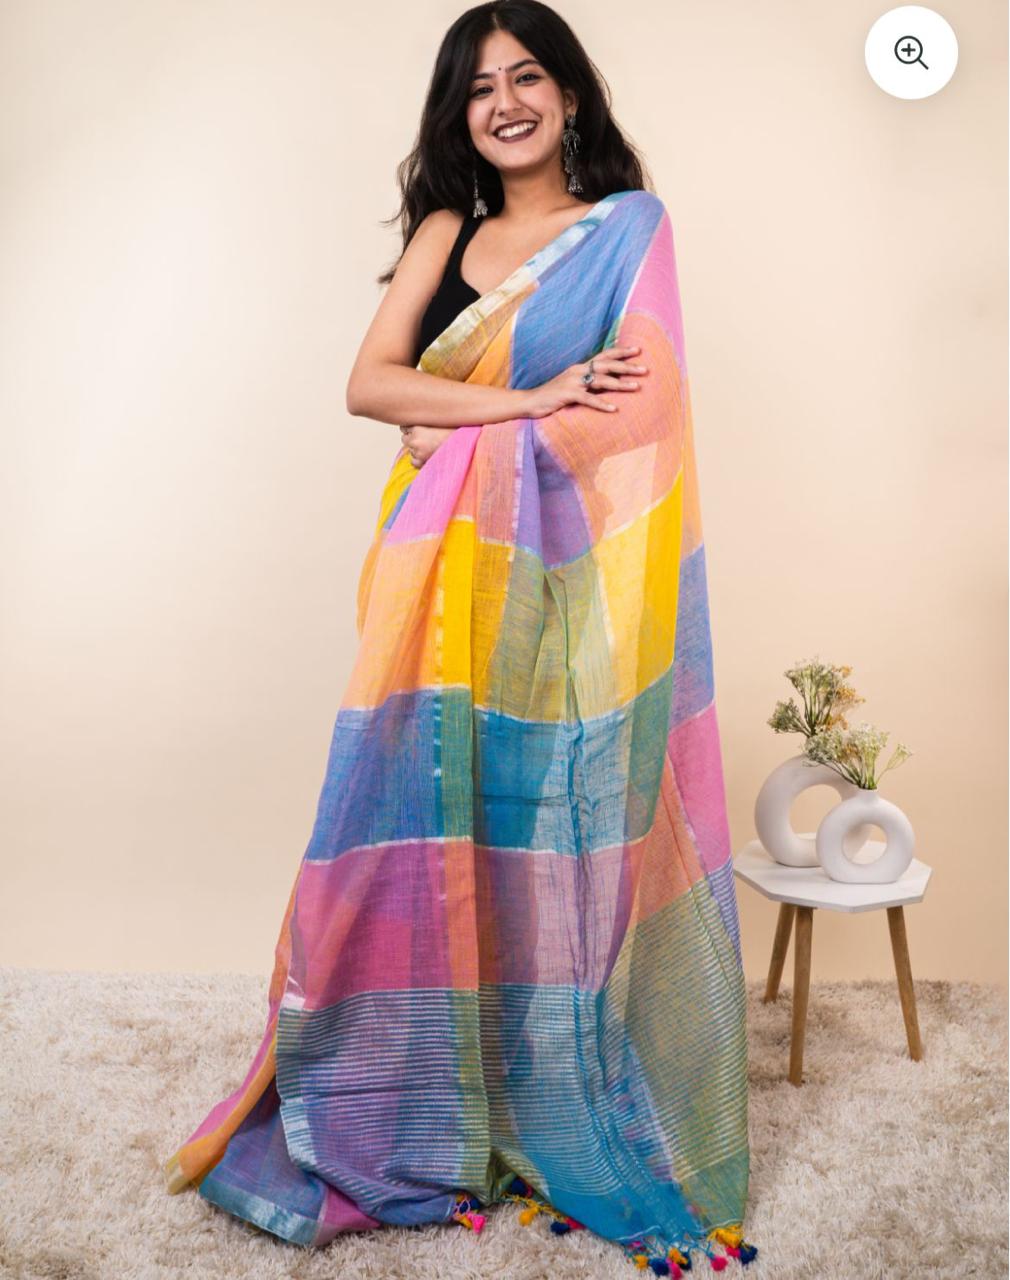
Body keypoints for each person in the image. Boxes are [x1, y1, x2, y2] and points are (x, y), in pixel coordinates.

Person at [164, 2, 758, 1273]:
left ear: (570, 97)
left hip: (566, 585)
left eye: (526, 75)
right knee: (420, 825)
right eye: (478, 85)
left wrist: (470, 424)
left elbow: (639, 409)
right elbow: (369, 383)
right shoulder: (448, 230)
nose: (504, 101)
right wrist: (524, 397)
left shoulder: (627, 231)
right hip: (430, 577)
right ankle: (419, 1106)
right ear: (459, 115)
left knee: (548, 828)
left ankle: (548, 1100)